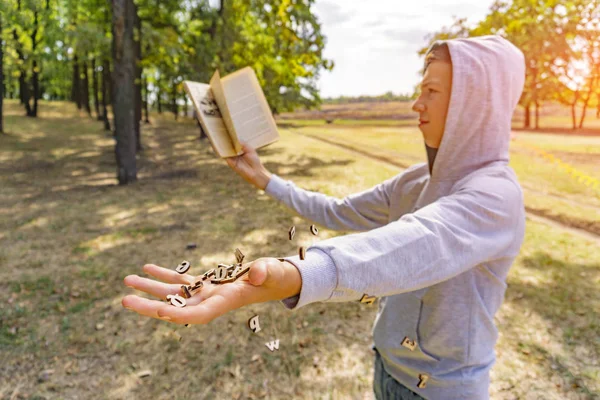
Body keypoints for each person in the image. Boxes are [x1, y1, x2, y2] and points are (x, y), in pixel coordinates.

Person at [122, 35, 526, 400]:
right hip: (388, 371)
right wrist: (264, 179)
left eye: (431, 91)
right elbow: (337, 211)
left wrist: (291, 274)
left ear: (474, 104)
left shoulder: (495, 197)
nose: (416, 104)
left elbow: (415, 244)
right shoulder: (416, 182)